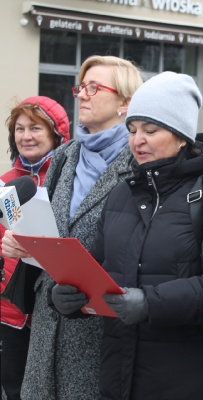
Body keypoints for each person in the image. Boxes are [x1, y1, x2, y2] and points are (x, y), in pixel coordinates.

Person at [50, 71, 203, 400]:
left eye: (151, 130)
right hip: (119, 377)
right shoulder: (122, 193)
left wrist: (150, 304)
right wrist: (66, 298)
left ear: (181, 136)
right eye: (132, 130)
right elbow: (98, 267)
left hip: (188, 379)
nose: (137, 140)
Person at [1, 55, 143, 400]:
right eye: (81, 87)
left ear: (125, 101)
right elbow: (51, 228)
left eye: (94, 88)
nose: (81, 94)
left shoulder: (139, 160)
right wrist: (25, 244)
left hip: (102, 329)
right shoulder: (68, 154)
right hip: (48, 321)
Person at [0, 96, 70, 400]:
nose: (26, 136)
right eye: (19, 128)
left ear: (56, 133)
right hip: (10, 312)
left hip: (55, 308)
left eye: (36, 128)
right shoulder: (5, 184)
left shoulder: (69, 180)